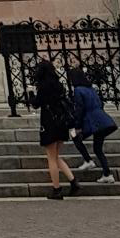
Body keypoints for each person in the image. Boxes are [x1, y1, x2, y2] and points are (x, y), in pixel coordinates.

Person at [34, 60, 80, 199]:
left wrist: (30, 95)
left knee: (51, 158)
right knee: (56, 156)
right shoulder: (58, 85)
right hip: (61, 123)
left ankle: (57, 189)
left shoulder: (43, 86)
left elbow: (36, 104)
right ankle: (73, 182)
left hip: (49, 123)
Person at [69, 67, 117, 183]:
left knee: (75, 136)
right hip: (103, 120)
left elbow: (80, 108)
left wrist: (78, 125)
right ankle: (107, 173)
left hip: (92, 121)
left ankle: (88, 160)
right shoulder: (90, 89)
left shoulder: (78, 90)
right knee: (98, 148)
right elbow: (100, 103)